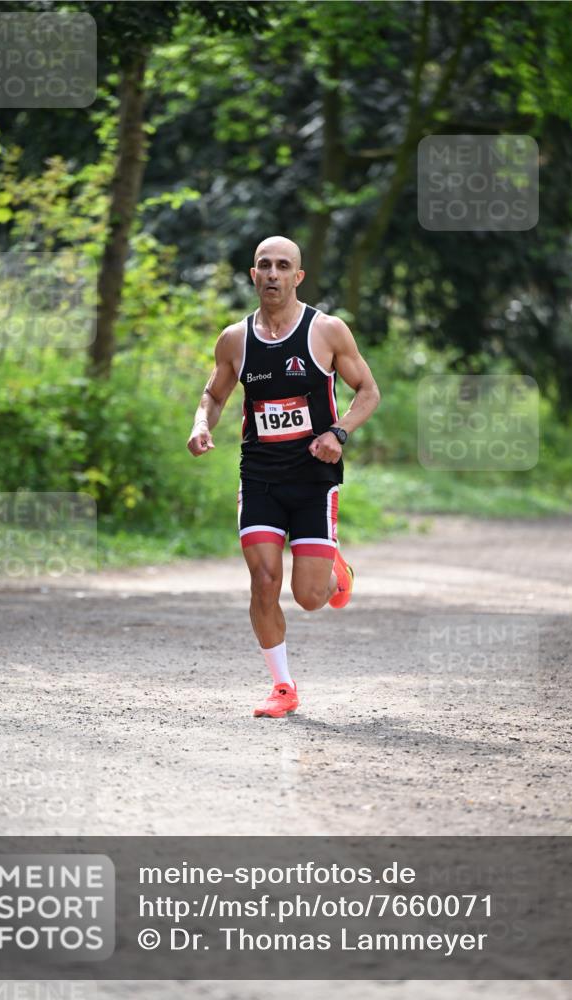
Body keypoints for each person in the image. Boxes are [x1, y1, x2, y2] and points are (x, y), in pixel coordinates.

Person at [187, 236, 380, 718]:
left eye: (283, 266)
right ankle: (282, 687)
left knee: (310, 597)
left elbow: (368, 392)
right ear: (253, 275)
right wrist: (200, 424)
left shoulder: (327, 331)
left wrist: (339, 431)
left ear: (298, 277)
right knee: (264, 580)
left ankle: (336, 570)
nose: (272, 274)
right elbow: (214, 394)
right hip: (260, 477)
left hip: (315, 478)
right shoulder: (235, 339)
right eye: (264, 266)